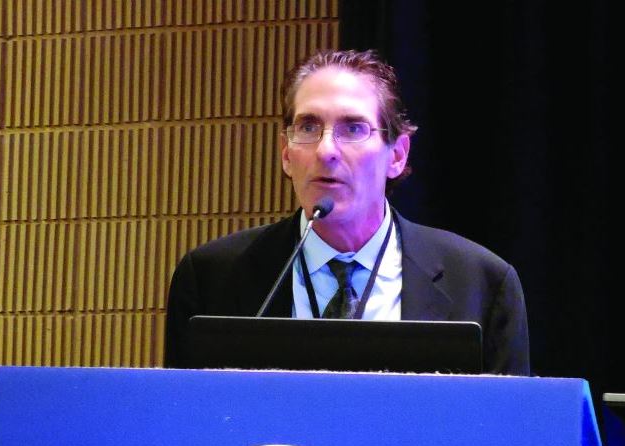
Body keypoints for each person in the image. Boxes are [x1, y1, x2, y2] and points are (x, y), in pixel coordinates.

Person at [165, 49, 529, 375]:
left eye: (353, 128)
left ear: (397, 154)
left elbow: (505, 425)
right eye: (308, 127)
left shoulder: (481, 284)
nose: (326, 150)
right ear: (286, 154)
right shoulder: (211, 279)